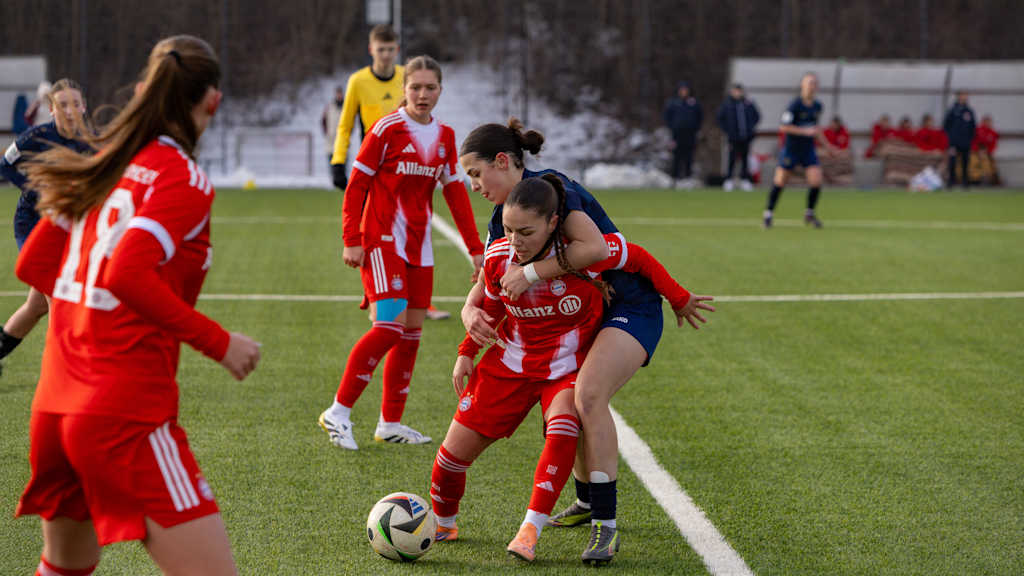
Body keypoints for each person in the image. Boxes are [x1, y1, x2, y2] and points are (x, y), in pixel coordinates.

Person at [14, 35, 261, 576]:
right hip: (123, 413)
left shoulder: (103, 161)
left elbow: (32, 265)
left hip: (54, 405)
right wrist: (221, 343)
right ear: (212, 101)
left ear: (146, 89)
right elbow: (124, 272)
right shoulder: (182, 178)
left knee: (64, 566)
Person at [458, 119, 715, 564]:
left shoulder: (552, 193)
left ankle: (606, 525)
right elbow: (490, 283)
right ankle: (584, 498)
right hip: (582, 313)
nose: (475, 186)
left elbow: (604, 249)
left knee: (588, 394)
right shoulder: (507, 217)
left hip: (627, 305)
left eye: (476, 174)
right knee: (571, 399)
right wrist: (468, 314)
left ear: (503, 161)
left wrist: (676, 297)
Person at [318, 55, 484, 451]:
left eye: (430, 88)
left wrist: (475, 247)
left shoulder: (444, 136)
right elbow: (356, 186)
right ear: (403, 90)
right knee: (388, 328)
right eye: (415, 87)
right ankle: (338, 411)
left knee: (410, 336)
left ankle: (389, 422)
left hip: (419, 247)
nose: (423, 94)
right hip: (380, 239)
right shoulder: (387, 129)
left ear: (440, 90)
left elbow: (456, 194)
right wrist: (352, 238)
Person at [331, 24, 449, 321]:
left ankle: (418, 301)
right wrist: (337, 160)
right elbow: (346, 124)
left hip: (409, 167)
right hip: (377, 166)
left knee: (414, 229)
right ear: (371, 50)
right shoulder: (358, 81)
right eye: (379, 49)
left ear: (397, 50)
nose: (384, 55)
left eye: (390, 49)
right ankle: (378, 297)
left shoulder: (406, 76)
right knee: (378, 233)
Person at [0, 79, 91, 372]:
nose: (69, 109)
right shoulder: (37, 135)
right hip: (31, 226)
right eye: (62, 104)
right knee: (56, 293)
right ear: (51, 110)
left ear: (84, 107)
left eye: (75, 103)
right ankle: (65, 370)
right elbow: (5, 165)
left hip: (64, 229)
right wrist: (35, 188)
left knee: (36, 306)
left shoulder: (90, 142)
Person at [763, 72, 837, 229]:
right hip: (791, 150)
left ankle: (809, 213)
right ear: (803, 85)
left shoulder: (817, 106)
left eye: (814, 83)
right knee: (780, 181)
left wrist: (829, 147)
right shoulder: (794, 105)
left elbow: (816, 130)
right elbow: (784, 127)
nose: (812, 86)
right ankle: (768, 214)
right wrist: (804, 131)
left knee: (816, 180)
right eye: (809, 83)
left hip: (808, 150)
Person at [716, 83, 760, 191]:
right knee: (731, 158)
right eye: (735, 91)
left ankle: (745, 179)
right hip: (733, 137)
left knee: (745, 159)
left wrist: (750, 129)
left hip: (746, 136)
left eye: (739, 91)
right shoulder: (727, 104)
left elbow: (757, 116)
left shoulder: (748, 103)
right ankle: (729, 180)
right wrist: (728, 130)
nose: (737, 93)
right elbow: (720, 119)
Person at [663, 81, 703, 188]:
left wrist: (696, 129)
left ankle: (687, 179)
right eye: (682, 90)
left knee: (689, 157)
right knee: (676, 156)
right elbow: (667, 117)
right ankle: (674, 179)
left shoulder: (694, 103)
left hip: (690, 134)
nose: (684, 92)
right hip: (676, 134)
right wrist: (672, 128)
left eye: (685, 90)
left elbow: (700, 117)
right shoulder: (673, 103)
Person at [944, 91, 976, 189]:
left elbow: (973, 127)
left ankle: (965, 182)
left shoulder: (969, 111)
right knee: (952, 162)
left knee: (965, 162)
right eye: (961, 95)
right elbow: (946, 125)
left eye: (965, 96)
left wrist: (970, 138)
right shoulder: (952, 110)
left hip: (965, 142)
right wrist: (951, 137)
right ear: (958, 97)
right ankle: (951, 182)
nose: (963, 97)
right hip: (954, 142)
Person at [321, 85, 345, 183]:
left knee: (343, 161)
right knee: (331, 159)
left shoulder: (346, 106)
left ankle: (342, 181)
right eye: (338, 93)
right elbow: (323, 121)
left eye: (340, 93)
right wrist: (327, 133)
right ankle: (333, 180)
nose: (339, 95)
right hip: (331, 139)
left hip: (342, 138)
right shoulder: (330, 106)